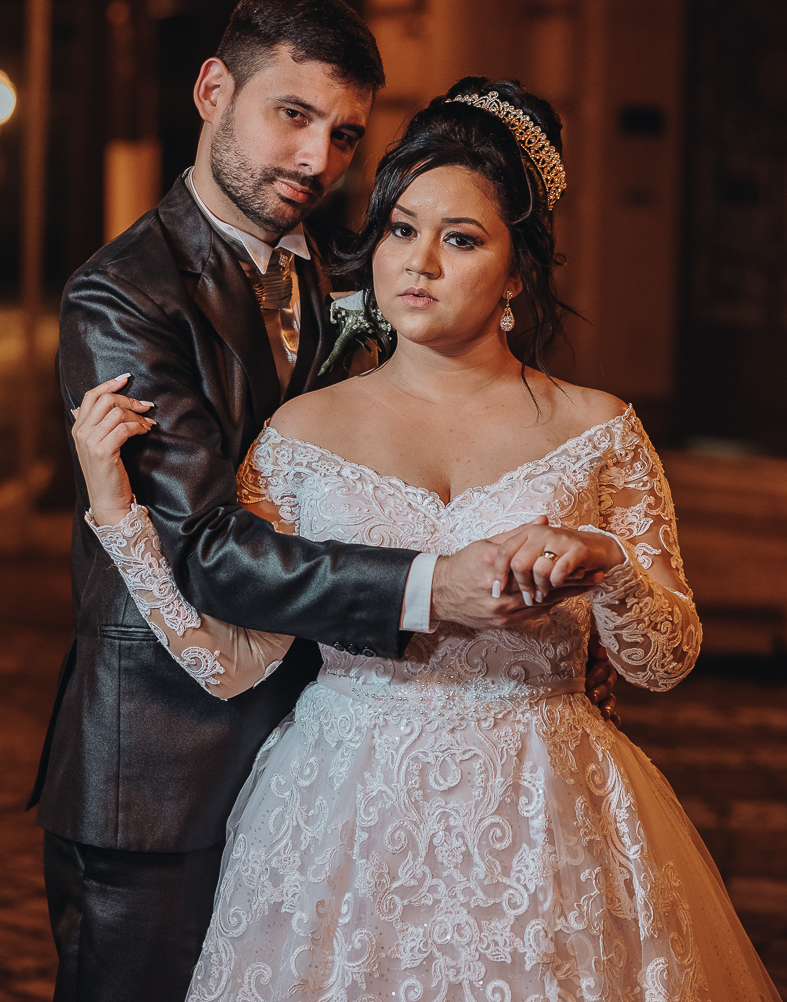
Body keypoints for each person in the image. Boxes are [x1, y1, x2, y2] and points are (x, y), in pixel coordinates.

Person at [74, 77, 780, 1001]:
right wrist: (112, 502)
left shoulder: (599, 430)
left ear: (519, 269)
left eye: (461, 239)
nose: (418, 263)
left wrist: (608, 567)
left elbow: (665, 659)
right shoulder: (302, 432)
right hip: (341, 820)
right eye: (401, 230)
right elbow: (232, 661)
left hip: (547, 814)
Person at [32, 0, 618, 1002]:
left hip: (325, 778)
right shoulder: (121, 299)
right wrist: (433, 585)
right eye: (290, 116)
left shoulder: (358, 265)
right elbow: (205, 550)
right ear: (214, 90)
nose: (315, 161)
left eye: (345, 135)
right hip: (167, 771)